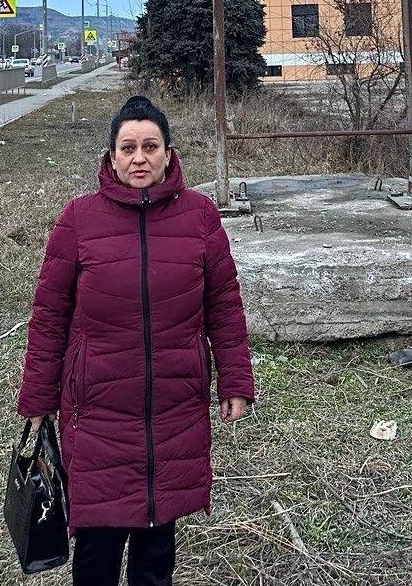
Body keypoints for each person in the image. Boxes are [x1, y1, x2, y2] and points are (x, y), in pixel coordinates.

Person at [17, 94, 255, 586]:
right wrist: (38, 399)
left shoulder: (201, 217)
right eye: (128, 148)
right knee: (97, 554)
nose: (139, 158)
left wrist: (235, 379)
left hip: (174, 409)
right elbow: (49, 319)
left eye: (151, 146)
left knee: (156, 550)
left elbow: (224, 307)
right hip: (99, 411)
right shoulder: (79, 220)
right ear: (111, 157)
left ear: (169, 153)